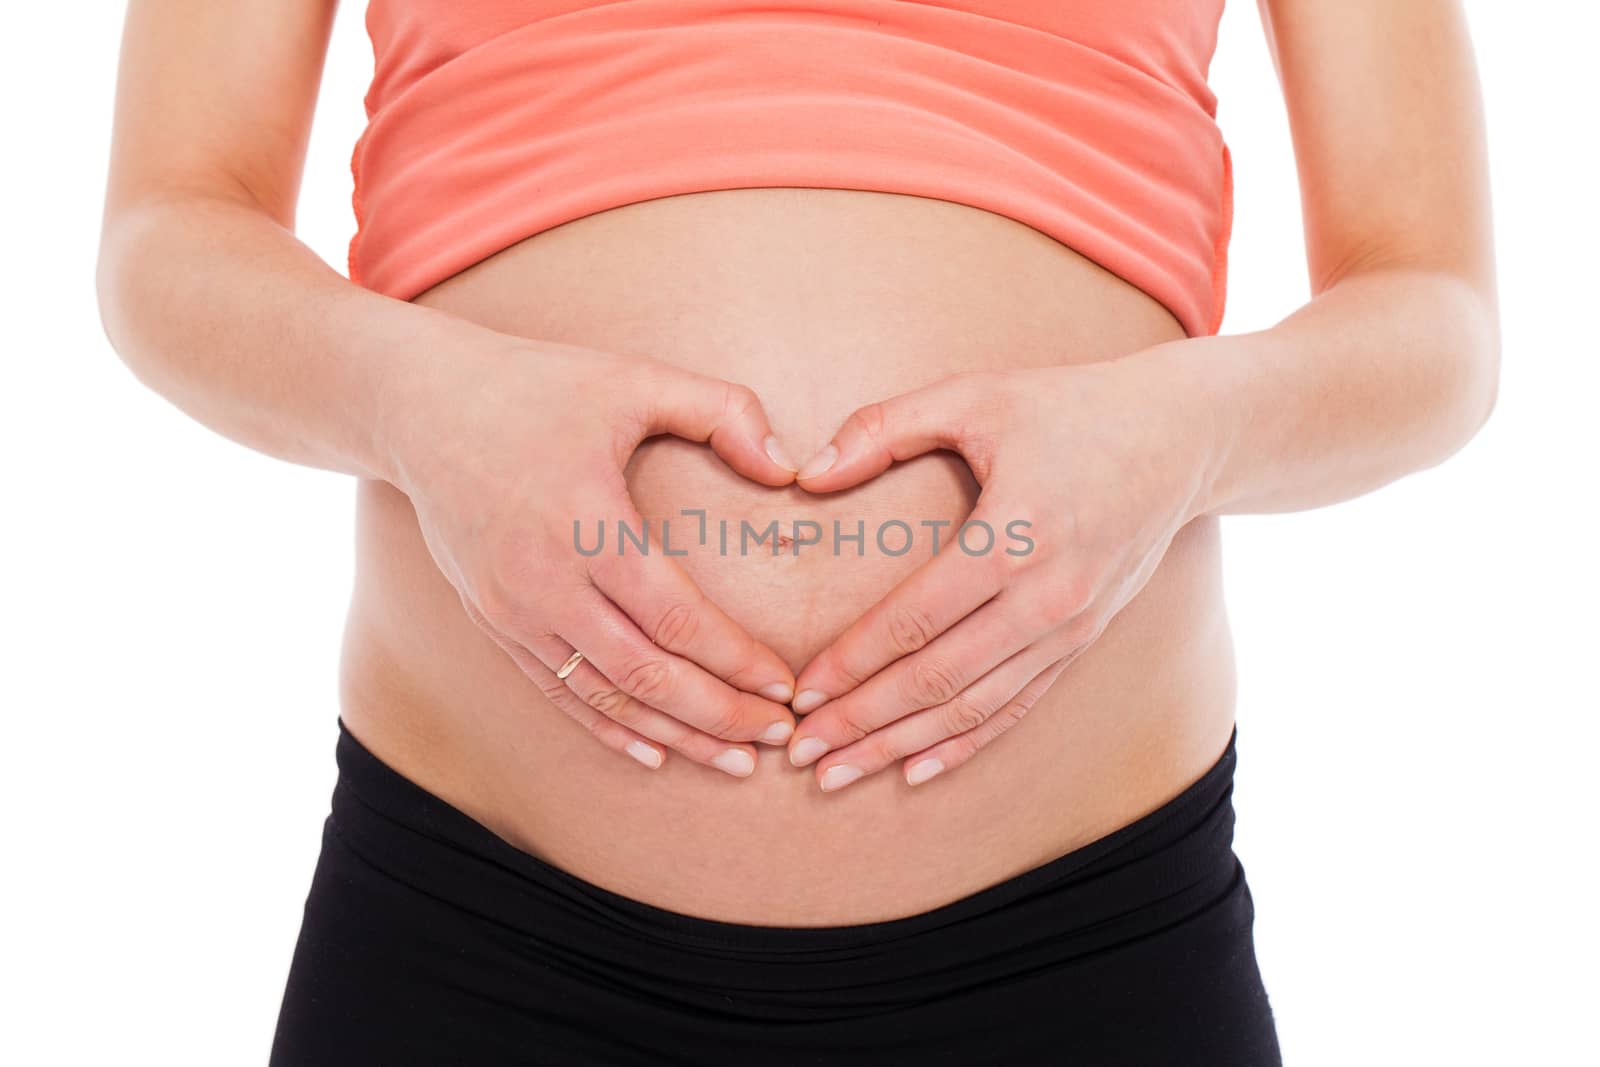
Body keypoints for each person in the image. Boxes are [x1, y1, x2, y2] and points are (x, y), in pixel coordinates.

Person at [96, 1, 1498, 1063]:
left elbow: (1434, 316)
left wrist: (1188, 433)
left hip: (1085, 931)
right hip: (483, 924)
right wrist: (410, 400)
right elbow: (169, 229)